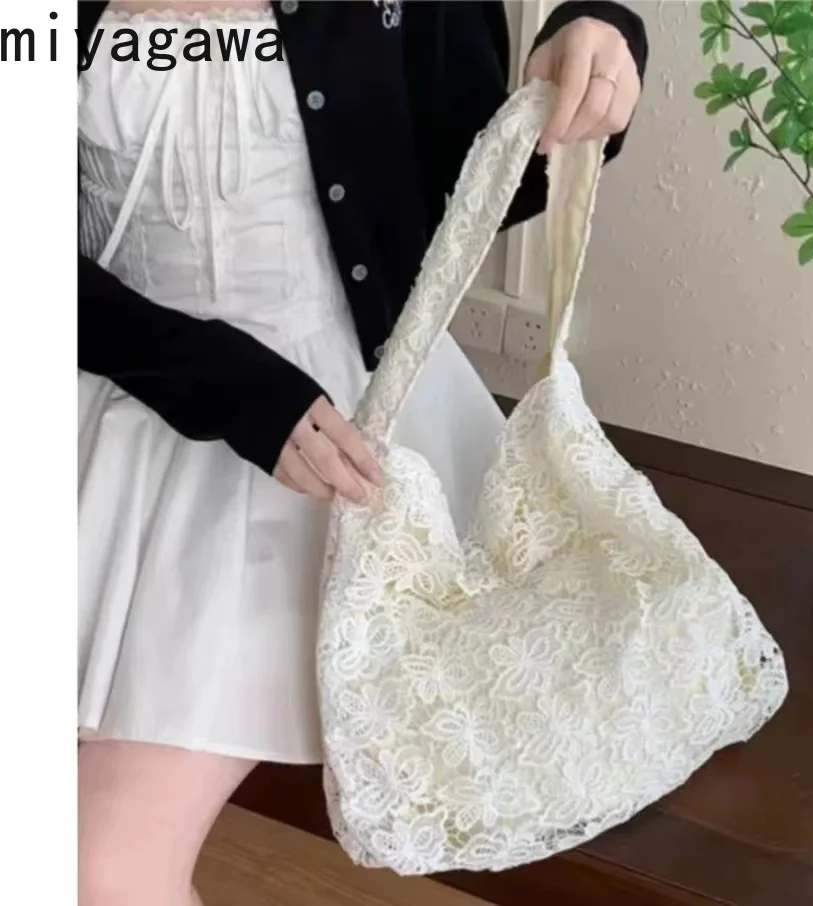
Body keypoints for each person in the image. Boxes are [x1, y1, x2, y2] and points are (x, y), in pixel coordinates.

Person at [76, 2, 647, 904]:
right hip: (112, 399)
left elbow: (474, 174)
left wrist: (599, 41)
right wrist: (221, 384)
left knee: (96, 865)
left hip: (338, 445)